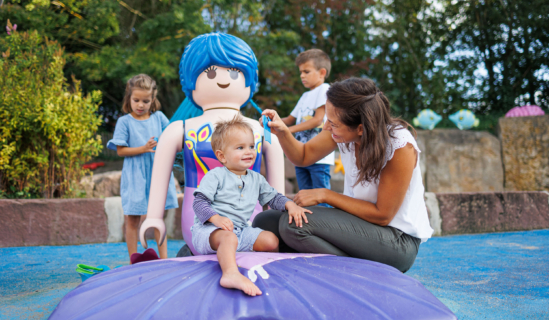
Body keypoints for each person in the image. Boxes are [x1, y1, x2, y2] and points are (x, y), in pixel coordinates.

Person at [255, 77, 434, 273]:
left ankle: (355, 270)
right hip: (359, 227)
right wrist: (282, 132)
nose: (327, 127)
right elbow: (303, 156)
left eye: (333, 123)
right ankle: (320, 261)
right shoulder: (343, 132)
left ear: (361, 128)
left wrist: (325, 194)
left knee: (294, 228)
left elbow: (383, 215)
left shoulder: (399, 145)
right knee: (265, 222)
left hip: (396, 242)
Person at [138, 33, 286, 258]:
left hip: (251, 222)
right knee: (224, 240)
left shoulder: (263, 131)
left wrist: (282, 220)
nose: (224, 79)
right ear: (191, 80)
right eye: (211, 72)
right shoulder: (181, 129)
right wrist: (154, 218)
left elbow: (276, 193)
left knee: (265, 242)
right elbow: (160, 175)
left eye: (235, 71)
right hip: (200, 220)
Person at [192, 115, 311, 296]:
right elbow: (199, 202)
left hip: (241, 230)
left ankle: (272, 272)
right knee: (228, 238)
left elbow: (273, 198)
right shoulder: (215, 176)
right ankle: (230, 274)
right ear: (221, 156)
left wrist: (290, 205)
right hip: (209, 231)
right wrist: (216, 218)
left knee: (270, 240)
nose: (249, 151)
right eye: (240, 147)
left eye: (251, 146)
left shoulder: (256, 178)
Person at [107, 74, 179, 261]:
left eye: (145, 101)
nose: (140, 105)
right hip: (135, 175)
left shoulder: (159, 118)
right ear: (128, 98)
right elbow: (121, 151)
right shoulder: (125, 122)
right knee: (132, 219)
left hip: (157, 173)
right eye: (136, 100)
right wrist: (144, 148)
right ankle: (134, 259)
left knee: (157, 217)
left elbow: (172, 138)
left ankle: (164, 260)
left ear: (153, 100)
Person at [280, 49, 334, 200]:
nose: (302, 75)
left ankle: (324, 223)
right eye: (300, 72)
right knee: (305, 196)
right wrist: (272, 121)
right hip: (300, 155)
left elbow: (317, 120)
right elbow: (290, 119)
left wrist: (287, 130)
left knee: (321, 197)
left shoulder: (324, 89)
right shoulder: (305, 96)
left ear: (322, 72)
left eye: (306, 71)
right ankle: (309, 223)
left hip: (319, 157)